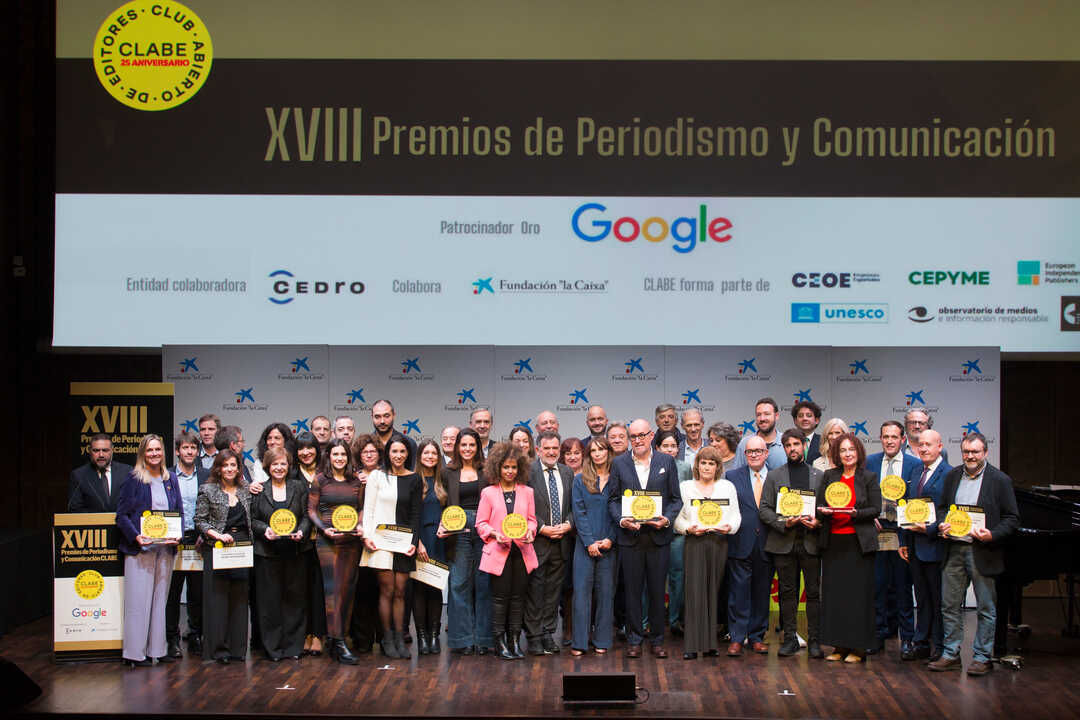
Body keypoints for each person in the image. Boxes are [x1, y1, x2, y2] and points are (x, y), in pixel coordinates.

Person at [929, 432, 1018, 676]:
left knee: (986, 607)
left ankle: (982, 657)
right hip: (954, 548)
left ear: (985, 453)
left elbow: (1012, 519)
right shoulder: (953, 475)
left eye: (975, 452)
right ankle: (950, 653)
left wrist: (992, 534)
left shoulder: (1000, 480)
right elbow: (943, 509)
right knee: (949, 605)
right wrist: (941, 524)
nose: (970, 456)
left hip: (983, 550)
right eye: (966, 452)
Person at [607, 418, 682, 658]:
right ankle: (635, 639)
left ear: (651, 436)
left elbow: (675, 499)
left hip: (658, 538)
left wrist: (667, 519)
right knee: (632, 592)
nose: (637, 440)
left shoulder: (667, 462)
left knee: (658, 592)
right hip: (630, 538)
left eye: (642, 435)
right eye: (633, 436)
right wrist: (621, 520)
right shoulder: (619, 463)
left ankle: (658, 640)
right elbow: (613, 499)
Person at [116, 434, 182, 666]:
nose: (154, 454)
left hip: (165, 550)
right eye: (150, 450)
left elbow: (178, 514)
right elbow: (121, 516)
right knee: (138, 603)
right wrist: (136, 537)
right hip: (140, 550)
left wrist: (178, 535)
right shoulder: (134, 479)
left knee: (159, 602)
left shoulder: (170, 479)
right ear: (143, 453)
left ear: (163, 452)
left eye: (158, 450)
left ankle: (157, 649)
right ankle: (134, 653)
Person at [817, 433, 881, 664]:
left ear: (858, 452)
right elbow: (818, 505)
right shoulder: (829, 475)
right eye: (842, 450)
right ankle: (838, 646)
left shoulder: (869, 477)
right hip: (834, 543)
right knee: (836, 597)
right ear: (837, 454)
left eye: (851, 449)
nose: (847, 454)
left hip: (858, 544)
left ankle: (859, 647)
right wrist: (822, 511)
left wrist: (856, 513)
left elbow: (875, 509)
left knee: (857, 598)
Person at [759, 429, 824, 658]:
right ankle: (789, 639)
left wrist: (818, 522)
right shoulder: (775, 475)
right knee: (787, 593)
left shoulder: (819, 475)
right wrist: (783, 523)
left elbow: (824, 511)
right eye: (788, 445)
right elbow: (764, 509)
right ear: (783, 448)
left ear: (804, 445)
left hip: (811, 542)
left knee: (814, 593)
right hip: (783, 542)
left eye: (796, 444)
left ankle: (815, 641)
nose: (792, 449)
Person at [674, 446, 741, 659]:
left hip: (718, 542)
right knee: (694, 592)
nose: (707, 467)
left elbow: (736, 516)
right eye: (703, 462)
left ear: (718, 466)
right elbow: (677, 518)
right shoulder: (685, 487)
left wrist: (729, 527)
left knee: (714, 591)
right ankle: (692, 646)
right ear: (697, 465)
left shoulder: (727, 487)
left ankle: (711, 644)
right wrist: (687, 529)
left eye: (711, 463)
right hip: (695, 542)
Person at [361, 437, 422, 658]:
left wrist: (414, 543)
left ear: (408, 454)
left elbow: (416, 514)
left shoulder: (415, 478)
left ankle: (399, 637)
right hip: (380, 541)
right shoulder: (377, 476)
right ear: (387, 453)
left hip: (404, 544)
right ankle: (386, 638)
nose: (398, 455)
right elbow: (368, 509)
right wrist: (367, 536)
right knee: (386, 590)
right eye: (394, 451)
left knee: (400, 592)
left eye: (402, 451)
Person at [306, 439, 364, 664]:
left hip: (351, 541)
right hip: (327, 542)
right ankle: (338, 642)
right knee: (333, 591)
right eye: (335, 454)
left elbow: (360, 509)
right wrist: (324, 529)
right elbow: (311, 510)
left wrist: (359, 525)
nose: (339, 458)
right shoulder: (320, 479)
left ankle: (337, 639)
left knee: (347, 590)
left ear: (348, 457)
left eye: (343, 454)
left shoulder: (356, 480)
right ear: (328, 456)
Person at [250, 446, 311, 661]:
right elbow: (253, 519)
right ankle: (273, 648)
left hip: (295, 551)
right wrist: (263, 530)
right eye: (275, 464)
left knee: (294, 601)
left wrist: (302, 531)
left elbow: (305, 515)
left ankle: (293, 647)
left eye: (283, 463)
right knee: (269, 602)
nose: (279, 467)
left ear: (289, 466)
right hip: (267, 553)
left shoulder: (299, 487)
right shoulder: (258, 489)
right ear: (268, 466)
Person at [866, 421, 919, 658]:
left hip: (902, 534)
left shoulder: (914, 465)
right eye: (885, 436)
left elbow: (919, 499)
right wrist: (869, 517)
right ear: (880, 438)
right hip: (878, 532)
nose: (889, 441)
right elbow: (862, 495)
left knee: (902, 588)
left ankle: (907, 639)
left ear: (903, 439)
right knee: (877, 586)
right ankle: (877, 634)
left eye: (894, 437)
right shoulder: (870, 463)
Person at [195, 449, 253, 664]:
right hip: (217, 548)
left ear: (239, 468)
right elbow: (199, 521)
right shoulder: (207, 489)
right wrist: (217, 535)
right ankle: (218, 651)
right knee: (217, 600)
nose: (229, 469)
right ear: (218, 468)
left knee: (239, 600)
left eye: (233, 465)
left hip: (242, 550)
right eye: (225, 465)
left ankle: (238, 650)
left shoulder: (246, 489)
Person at [439, 428, 493, 655]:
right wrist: (443, 525)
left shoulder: (488, 470)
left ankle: (484, 639)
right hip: (457, 530)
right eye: (464, 445)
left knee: (484, 584)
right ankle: (462, 640)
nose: (468, 449)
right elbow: (442, 502)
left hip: (484, 528)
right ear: (457, 447)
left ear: (478, 447)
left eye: (472, 445)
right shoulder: (447, 472)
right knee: (458, 584)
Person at [899, 428, 950, 662]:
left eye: (929, 444)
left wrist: (929, 529)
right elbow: (908, 507)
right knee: (921, 598)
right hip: (915, 546)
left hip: (936, 546)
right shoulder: (916, 470)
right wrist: (904, 541)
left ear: (940, 447)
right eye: (920, 444)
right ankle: (921, 643)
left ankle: (939, 645)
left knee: (938, 600)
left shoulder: (949, 474)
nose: (924, 448)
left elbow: (950, 512)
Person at [525, 431, 575, 655]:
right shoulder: (528, 472)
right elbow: (523, 507)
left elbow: (575, 505)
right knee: (535, 591)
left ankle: (547, 633)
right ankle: (534, 636)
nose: (552, 452)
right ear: (538, 450)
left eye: (556, 448)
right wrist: (542, 527)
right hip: (538, 541)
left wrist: (569, 524)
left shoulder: (567, 472)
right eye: (547, 448)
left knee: (553, 592)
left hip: (561, 542)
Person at [724, 435, 773, 656]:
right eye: (750, 452)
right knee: (738, 594)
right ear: (745, 455)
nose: (754, 455)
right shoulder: (732, 476)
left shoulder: (776, 477)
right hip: (740, 543)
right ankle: (736, 638)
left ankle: (756, 637)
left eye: (758, 451)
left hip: (768, 543)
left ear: (767, 453)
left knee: (762, 593)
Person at [570, 437, 617, 655]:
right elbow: (578, 513)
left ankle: (602, 640)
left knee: (606, 594)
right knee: (581, 595)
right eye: (594, 451)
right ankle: (579, 642)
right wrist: (589, 542)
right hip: (584, 545)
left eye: (602, 450)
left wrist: (610, 539)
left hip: (609, 543)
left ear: (609, 452)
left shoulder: (618, 479)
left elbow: (622, 512)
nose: (598, 454)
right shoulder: (580, 480)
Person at [165, 431, 208, 659]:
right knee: (172, 593)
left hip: (199, 539)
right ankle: (172, 637)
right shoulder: (167, 475)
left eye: (193, 448)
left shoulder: (206, 474)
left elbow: (212, 506)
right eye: (185, 448)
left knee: (197, 592)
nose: (189, 452)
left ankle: (196, 635)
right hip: (174, 541)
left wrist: (206, 532)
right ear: (178, 451)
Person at [348, 434, 383, 654]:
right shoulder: (353, 478)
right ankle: (362, 639)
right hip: (357, 540)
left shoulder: (388, 476)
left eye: (373, 451)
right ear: (359, 456)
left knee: (382, 589)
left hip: (382, 539)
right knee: (361, 590)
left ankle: (383, 636)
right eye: (365, 452)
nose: (369, 455)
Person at [413, 439, 448, 655]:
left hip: (440, 539)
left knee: (435, 588)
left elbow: (452, 509)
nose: (430, 457)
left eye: (434, 453)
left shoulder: (443, 479)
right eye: (426, 453)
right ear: (419, 456)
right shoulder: (413, 480)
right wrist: (417, 542)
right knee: (419, 589)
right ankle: (422, 638)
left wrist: (446, 525)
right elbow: (408, 515)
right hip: (419, 539)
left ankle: (435, 636)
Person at [292, 431, 325, 656]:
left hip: (325, 540)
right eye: (301, 448)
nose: (306, 452)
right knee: (300, 589)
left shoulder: (326, 473)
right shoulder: (292, 475)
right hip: (299, 541)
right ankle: (304, 634)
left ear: (317, 449)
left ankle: (319, 635)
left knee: (320, 590)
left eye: (310, 447)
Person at [656, 428, 691, 636]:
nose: (670, 450)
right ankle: (652, 619)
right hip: (654, 531)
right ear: (657, 447)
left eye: (673, 446)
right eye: (665, 446)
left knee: (678, 578)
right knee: (653, 579)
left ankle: (675, 619)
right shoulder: (650, 465)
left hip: (678, 531)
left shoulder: (685, 468)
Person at [68, 433, 133, 512]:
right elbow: (74, 508)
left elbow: (135, 503)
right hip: (91, 523)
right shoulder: (79, 475)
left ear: (112, 450)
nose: (101, 455)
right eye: (96, 450)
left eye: (105, 450)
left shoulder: (127, 471)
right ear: (90, 451)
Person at [731, 398, 786, 471]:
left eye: (767, 414)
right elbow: (737, 474)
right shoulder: (745, 443)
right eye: (758, 415)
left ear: (776, 416)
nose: (762, 418)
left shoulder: (786, 442)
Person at [372, 399, 417, 471]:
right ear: (372, 417)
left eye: (386, 416)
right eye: (377, 417)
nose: (382, 421)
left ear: (394, 415)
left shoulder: (409, 443)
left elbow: (412, 475)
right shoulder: (365, 444)